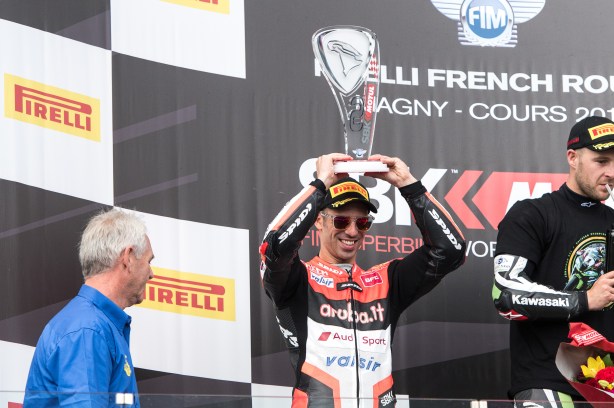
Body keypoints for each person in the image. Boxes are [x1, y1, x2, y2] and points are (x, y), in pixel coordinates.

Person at [259, 153, 466, 407]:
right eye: (341, 220)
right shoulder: (298, 280)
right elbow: (274, 247)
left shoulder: (385, 282)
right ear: (318, 221)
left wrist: (409, 185)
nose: (352, 231)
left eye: (362, 223)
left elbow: (451, 250)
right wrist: (319, 185)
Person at [493, 116, 614, 406]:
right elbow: (506, 296)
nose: (611, 172)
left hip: (607, 387)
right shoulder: (532, 214)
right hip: (547, 381)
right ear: (573, 158)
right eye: (601, 161)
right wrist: (585, 300)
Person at [24, 208, 155, 407]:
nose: (151, 273)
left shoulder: (95, 325)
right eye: (148, 261)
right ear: (128, 257)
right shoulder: (88, 330)